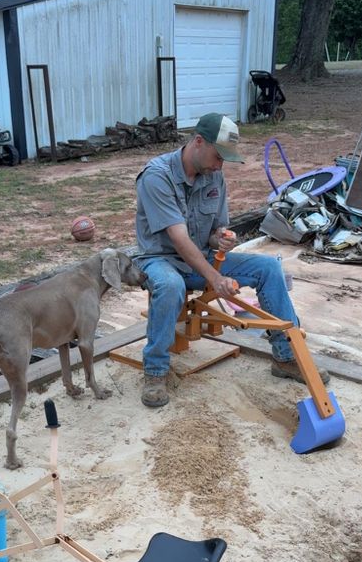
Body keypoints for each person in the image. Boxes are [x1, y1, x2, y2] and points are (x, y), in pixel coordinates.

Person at [134, 112, 329, 407]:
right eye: (218, 156)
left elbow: (214, 232)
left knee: (268, 268)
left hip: (200, 256)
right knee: (171, 286)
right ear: (198, 142)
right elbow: (179, 238)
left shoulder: (213, 175)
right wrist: (215, 278)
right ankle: (155, 371)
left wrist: (221, 238)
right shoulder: (156, 176)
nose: (220, 165)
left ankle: (286, 357)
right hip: (159, 259)